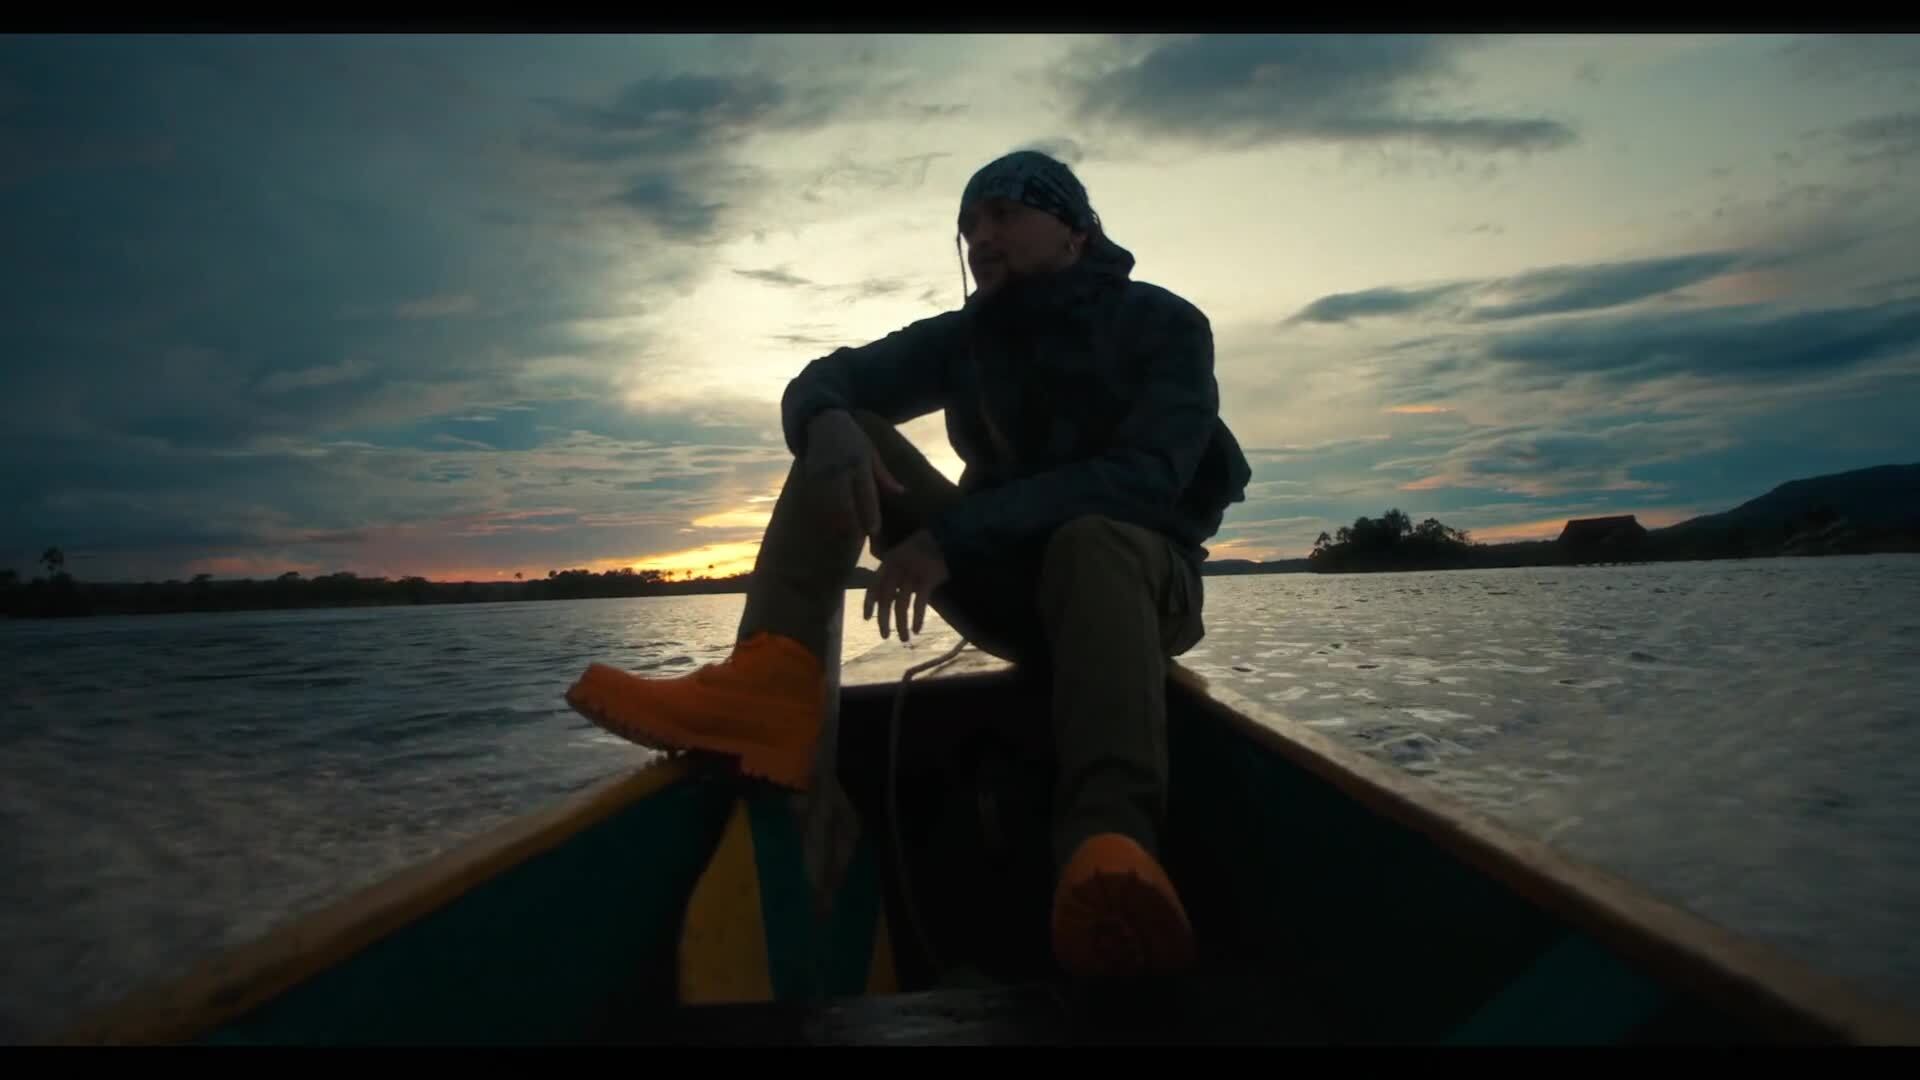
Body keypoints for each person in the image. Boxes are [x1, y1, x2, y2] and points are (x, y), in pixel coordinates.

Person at [565, 149, 1251, 979]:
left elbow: (1144, 479)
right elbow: (828, 377)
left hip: (1138, 592)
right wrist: (825, 421)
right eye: (969, 225)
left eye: (1004, 215)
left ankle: (1108, 847)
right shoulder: (966, 338)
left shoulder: (1166, 324)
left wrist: (950, 538)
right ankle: (771, 687)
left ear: (1075, 231)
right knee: (847, 432)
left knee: (1092, 538)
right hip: (1008, 588)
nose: (980, 237)